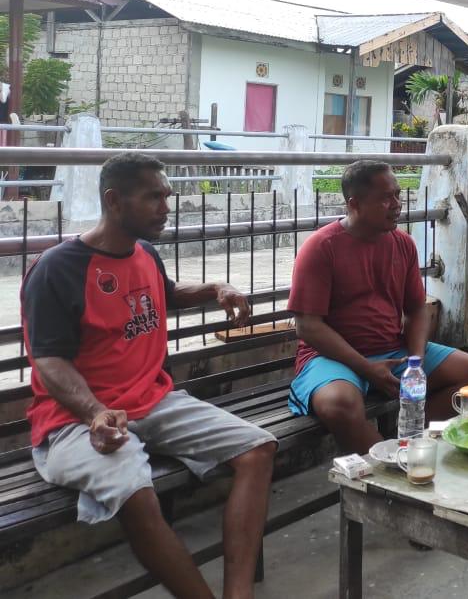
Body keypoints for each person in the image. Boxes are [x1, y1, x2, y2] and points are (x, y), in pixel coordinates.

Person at [21, 152, 277, 599]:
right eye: (153, 197)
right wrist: (96, 412)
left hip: (154, 401)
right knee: (137, 492)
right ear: (113, 201)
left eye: (167, 196)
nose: (165, 208)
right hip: (76, 421)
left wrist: (217, 287)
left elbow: (168, 292)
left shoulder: (144, 253)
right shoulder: (57, 269)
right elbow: (49, 361)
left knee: (258, 449)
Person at [287, 160, 468, 454]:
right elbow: (308, 326)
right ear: (354, 204)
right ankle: (389, 464)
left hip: (393, 350)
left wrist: (416, 363)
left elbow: (416, 309)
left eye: (397, 195)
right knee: (339, 405)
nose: (396, 204)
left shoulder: (403, 243)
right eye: (385, 198)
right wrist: (367, 368)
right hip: (332, 358)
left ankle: (406, 443)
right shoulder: (320, 247)